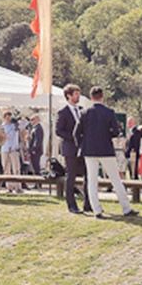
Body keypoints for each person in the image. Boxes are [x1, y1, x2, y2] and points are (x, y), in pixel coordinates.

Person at [78, 86, 136, 218]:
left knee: (92, 181)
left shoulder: (84, 112)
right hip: (105, 149)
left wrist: (84, 142)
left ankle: (97, 210)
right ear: (102, 96)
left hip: (89, 149)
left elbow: (77, 132)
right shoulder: (109, 112)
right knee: (115, 179)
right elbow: (116, 132)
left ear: (91, 97)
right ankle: (126, 208)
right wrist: (106, 134)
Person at [54, 85, 85, 213]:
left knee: (87, 175)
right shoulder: (63, 112)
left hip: (83, 148)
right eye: (76, 94)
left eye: (79, 94)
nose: (78, 96)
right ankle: (71, 204)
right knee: (70, 176)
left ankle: (88, 203)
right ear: (69, 96)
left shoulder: (82, 110)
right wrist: (73, 137)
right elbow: (58, 131)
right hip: (70, 148)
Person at [0, 112, 23, 194]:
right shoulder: (2, 126)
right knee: (6, 169)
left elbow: (15, 138)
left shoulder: (14, 126)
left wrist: (13, 147)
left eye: (9, 116)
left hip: (13, 149)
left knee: (16, 168)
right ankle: (9, 187)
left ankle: (18, 187)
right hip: (4, 149)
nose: (8, 118)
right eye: (6, 116)